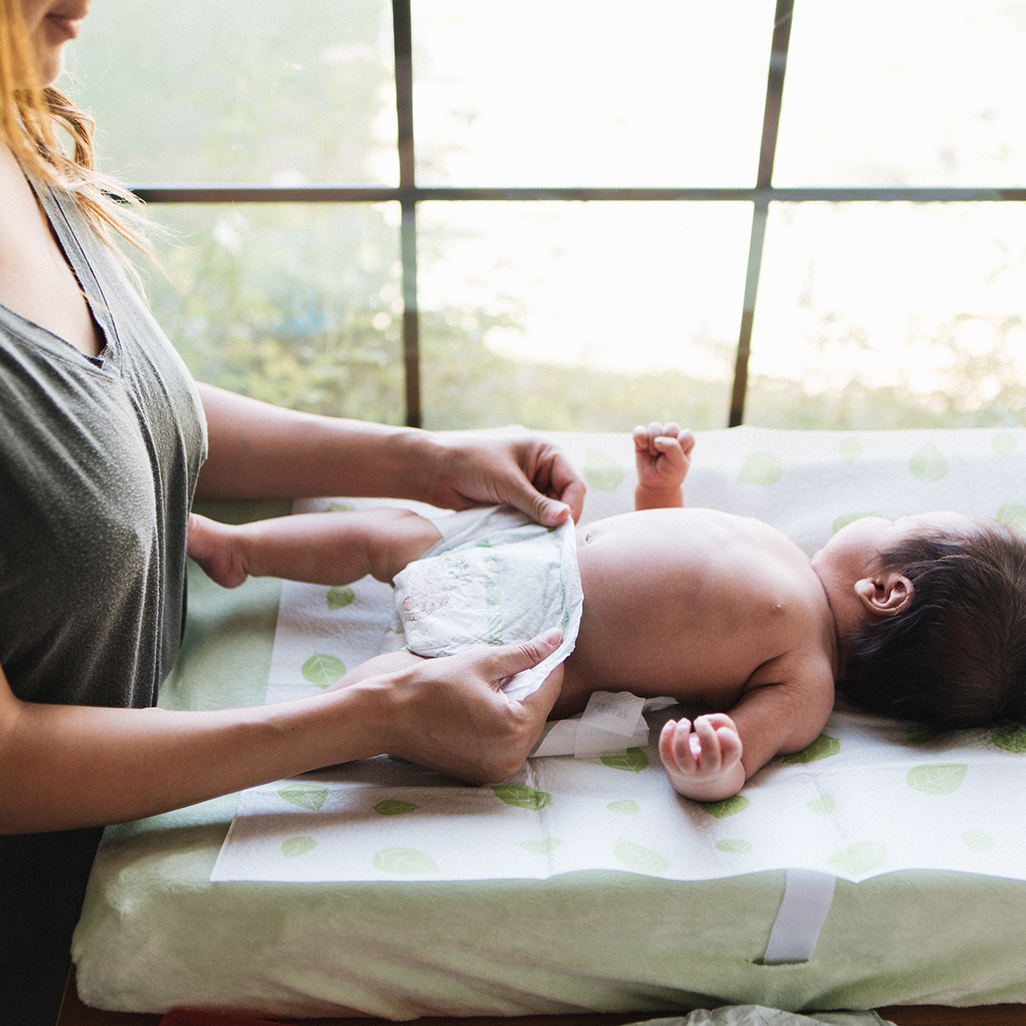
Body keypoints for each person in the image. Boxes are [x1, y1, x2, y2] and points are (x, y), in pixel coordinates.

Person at [0, 2, 584, 1021]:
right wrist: (371, 713)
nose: (83, 5)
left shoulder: (20, 131)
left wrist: (424, 460)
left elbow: (110, 421)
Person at [190, 422, 1026, 806]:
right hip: (527, 556)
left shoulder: (803, 680)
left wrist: (715, 765)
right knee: (400, 534)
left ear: (887, 588)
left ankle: (312, 726)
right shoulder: (778, 551)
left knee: (453, 715)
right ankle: (241, 546)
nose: (874, 517)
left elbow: (746, 749)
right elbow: (669, 552)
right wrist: (662, 487)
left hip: (543, 649)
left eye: (896, 527)